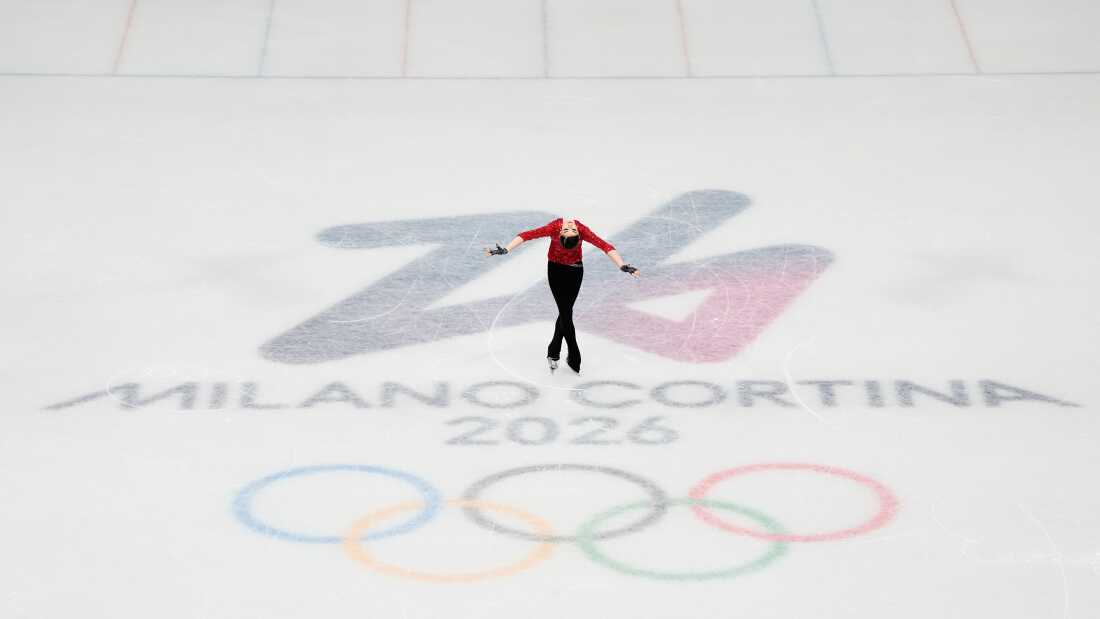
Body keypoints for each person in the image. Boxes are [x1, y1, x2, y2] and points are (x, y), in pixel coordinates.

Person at [485, 217, 639, 374]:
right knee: (566, 312)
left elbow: (605, 246)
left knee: (566, 312)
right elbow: (527, 235)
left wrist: (622, 266)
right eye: (568, 230)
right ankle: (574, 354)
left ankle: (553, 350)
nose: (571, 227)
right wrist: (506, 249)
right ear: (560, 235)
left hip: (575, 271)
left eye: (571, 230)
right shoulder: (556, 228)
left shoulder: (576, 230)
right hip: (556, 271)